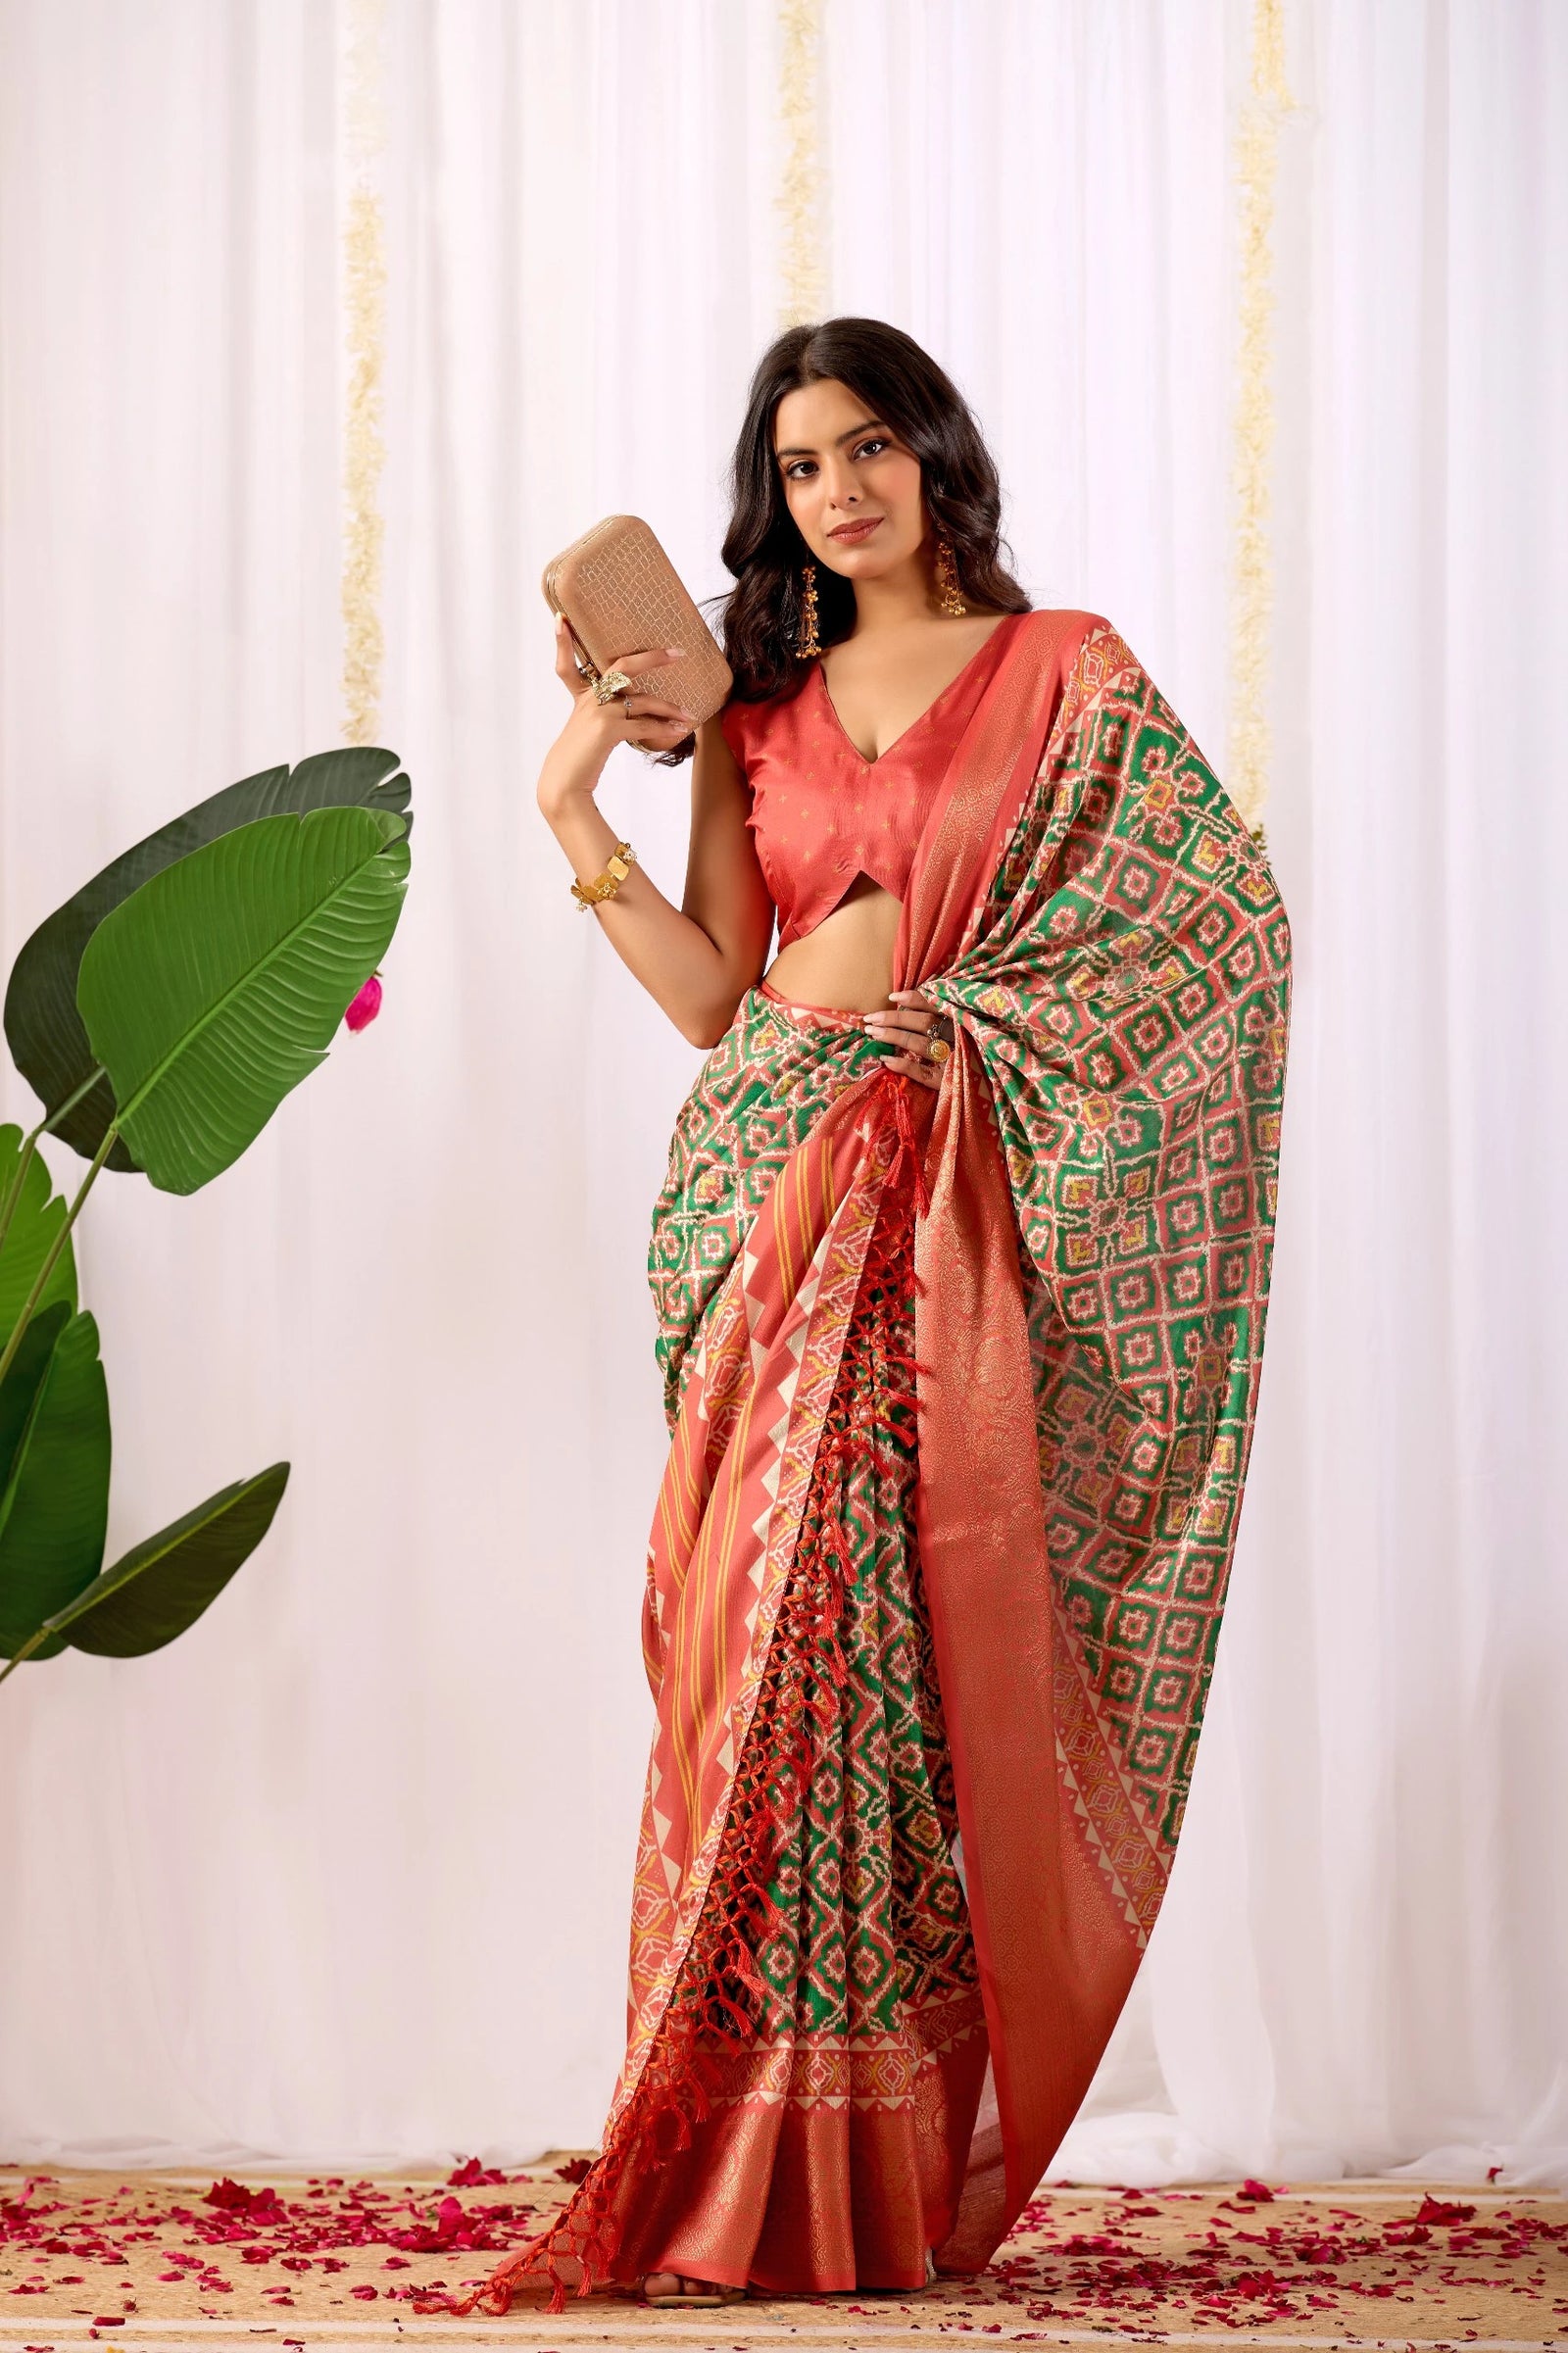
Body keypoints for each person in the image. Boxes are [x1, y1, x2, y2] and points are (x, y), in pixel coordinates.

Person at [431, 316, 1290, 2316]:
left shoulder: (1067, 671)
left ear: (931, 457)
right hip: (777, 1199)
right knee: (757, 1658)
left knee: (885, 1685)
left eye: (869, 444)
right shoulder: (756, 714)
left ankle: (866, 2167)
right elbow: (723, 996)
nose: (840, 487)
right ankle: (737, 2145)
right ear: (778, 503)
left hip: (955, 1234)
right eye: (803, 462)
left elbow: (1221, 926)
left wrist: (969, 1044)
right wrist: (577, 812)